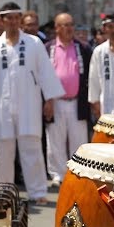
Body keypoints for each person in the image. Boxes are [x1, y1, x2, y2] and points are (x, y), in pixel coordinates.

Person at [0, 2, 65, 205]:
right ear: (2, 21)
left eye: (16, 18)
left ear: (19, 20)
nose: (12, 22)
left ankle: (38, 192)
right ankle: (2, 193)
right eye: (8, 18)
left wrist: (49, 100)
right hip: (1, 106)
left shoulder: (34, 43)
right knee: (2, 151)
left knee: (31, 148)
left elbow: (46, 73)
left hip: (28, 104)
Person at [44, 13, 92, 186]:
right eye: (64, 25)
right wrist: (46, 101)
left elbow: (90, 76)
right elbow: (42, 77)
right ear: (57, 28)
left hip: (76, 101)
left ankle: (77, 171)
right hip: (55, 101)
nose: (69, 28)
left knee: (78, 139)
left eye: (71, 24)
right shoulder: (47, 48)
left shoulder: (83, 48)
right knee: (55, 139)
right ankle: (57, 174)